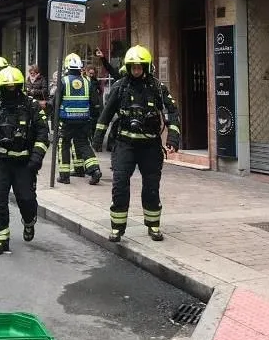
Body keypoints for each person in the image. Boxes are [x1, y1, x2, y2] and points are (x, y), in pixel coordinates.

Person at [92, 45, 181, 243]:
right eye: (133, 67)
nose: (136, 71)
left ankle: (153, 225)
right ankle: (117, 228)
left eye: (140, 67)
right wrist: (97, 138)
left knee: (151, 186)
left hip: (150, 146)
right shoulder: (120, 87)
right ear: (128, 67)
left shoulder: (157, 88)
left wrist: (173, 139)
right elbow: (106, 113)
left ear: (146, 68)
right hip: (125, 144)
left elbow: (172, 113)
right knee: (120, 185)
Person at [0, 66, 49, 255]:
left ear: (19, 86)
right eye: (7, 87)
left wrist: (36, 158)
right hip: (1, 162)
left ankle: (29, 221)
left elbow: (43, 133)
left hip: (24, 164)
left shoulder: (31, 106)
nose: (10, 90)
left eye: (14, 87)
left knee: (27, 201)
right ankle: (1, 238)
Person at [55, 53, 103, 185]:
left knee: (63, 145)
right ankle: (94, 170)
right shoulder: (87, 81)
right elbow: (94, 102)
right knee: (83, 144)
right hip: (83, 120)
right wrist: (90, 118)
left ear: (67, 66)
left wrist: (55, 117)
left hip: (67, 120)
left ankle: (64, 176)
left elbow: (56, 102)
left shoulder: (63, 81)